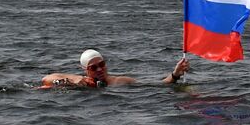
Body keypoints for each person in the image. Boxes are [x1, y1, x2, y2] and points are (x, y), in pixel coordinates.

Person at [42, 49, 189, 88]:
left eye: (102, 65)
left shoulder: (118, 81)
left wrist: (175, 74)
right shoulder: (79, 80)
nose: (99, 70)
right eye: (94, 67)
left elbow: (159, 84)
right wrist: (68, 82)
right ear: (86, 69)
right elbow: (46, 78)